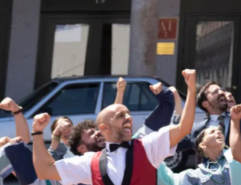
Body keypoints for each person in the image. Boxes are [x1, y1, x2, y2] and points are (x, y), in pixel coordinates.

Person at [31, 70, 198, 185]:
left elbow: (184, 128)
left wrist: (191, 88)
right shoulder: (90, 162)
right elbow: (44, 171)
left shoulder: (148, 146)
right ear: (104, 128)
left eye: (128, 114)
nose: (128, 118)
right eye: (121, 116)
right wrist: (37, 132)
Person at [157, 90, 241, 185]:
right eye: (212, 132)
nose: (218, 132)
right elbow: (168, 179)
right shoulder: (193, 176)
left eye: (220, 131)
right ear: (202, 144)